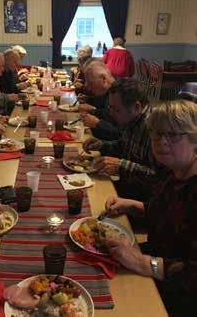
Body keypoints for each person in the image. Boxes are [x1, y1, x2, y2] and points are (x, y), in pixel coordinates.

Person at [104, 100, 197, 317]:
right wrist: (135, 206)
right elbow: (170, 214)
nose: (160, 142)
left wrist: (142, 262)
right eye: (155, 134)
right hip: (154, 265)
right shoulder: (175, 173)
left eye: (173, 135)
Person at [83, 78, 166, 201]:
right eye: (110, 107)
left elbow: (159, 178)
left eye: (116, 109)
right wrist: (102, 145)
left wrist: (121, 165)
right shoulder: (130, 118)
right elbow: (123, 145)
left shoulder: (156, 129)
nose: (111, 113)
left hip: (143, 201)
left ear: (137, 107)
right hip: (125, 187)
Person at [79, 60, 119, 141]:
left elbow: (121, 135)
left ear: (103, 79)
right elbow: (106, 113)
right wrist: (93, 110)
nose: (89, 88)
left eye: (90, 83)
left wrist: (97, 123)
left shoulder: (119, 96)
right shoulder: (108, 92)